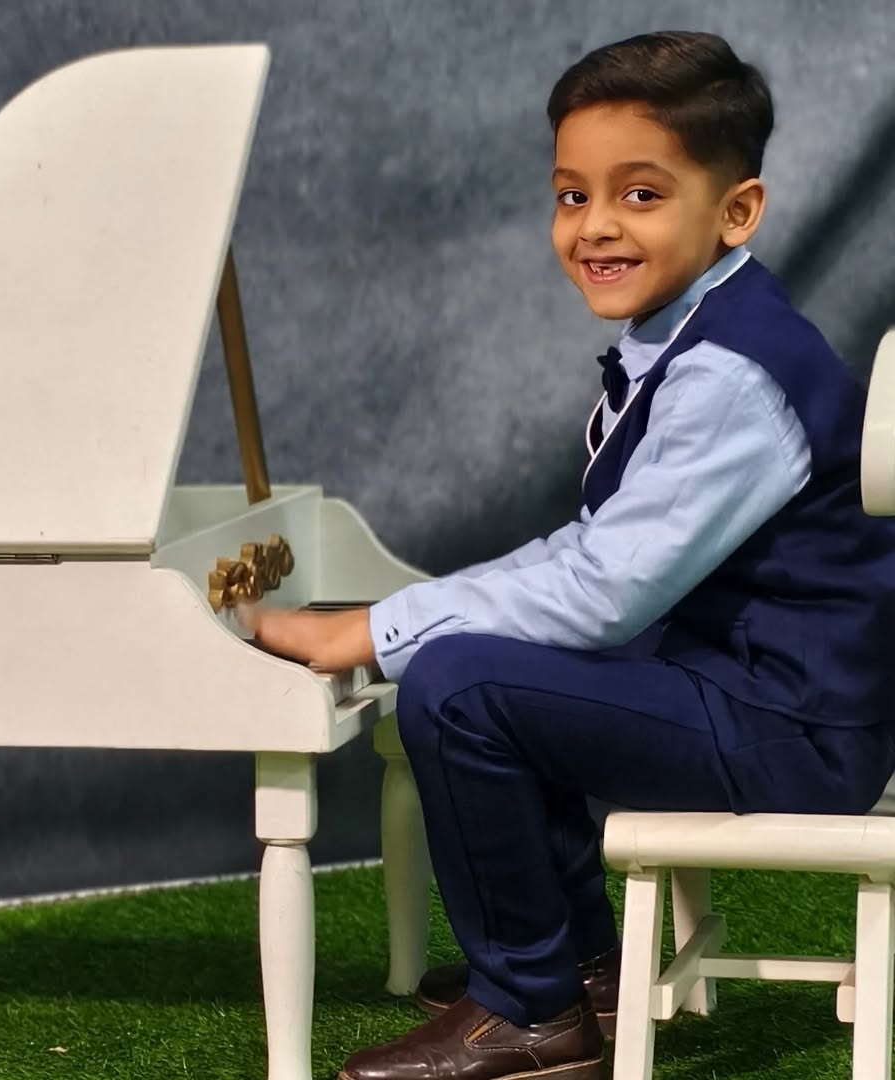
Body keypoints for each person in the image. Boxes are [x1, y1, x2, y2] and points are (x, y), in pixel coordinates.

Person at [241, 29, 895, 1080]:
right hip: (749, 685)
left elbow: (600, 593)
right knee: (500, 656)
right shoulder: (694, 331)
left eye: (641, 195)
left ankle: (529, 1012)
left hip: (796, 727)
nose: (595, 225)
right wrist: (408, 614)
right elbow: (596, 554)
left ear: (736, 212)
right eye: (571, 195)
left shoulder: (731, 375)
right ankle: (581, 965)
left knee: (461, 687)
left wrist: (378, 630)